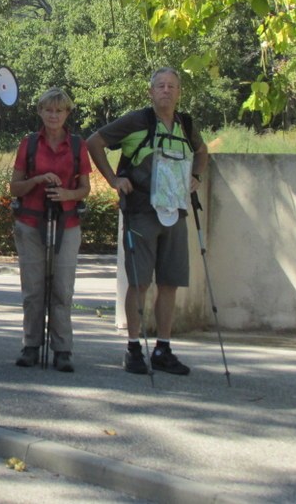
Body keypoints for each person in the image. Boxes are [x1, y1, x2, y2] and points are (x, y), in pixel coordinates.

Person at [86, 67, 208, 376]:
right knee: (139, 282)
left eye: (172, 86)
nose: (166, 91)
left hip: (175, 213)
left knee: (170, 283)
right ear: (150, 92)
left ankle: (163, 349)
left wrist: (196, 176)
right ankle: (133, 349)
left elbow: (202, 151)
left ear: (179, 93)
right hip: (141, 210)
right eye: (161, 86)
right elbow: (94, 142)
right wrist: (114, 180)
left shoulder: (186, 124)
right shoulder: (135, 121)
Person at [10, 88, 91, 373]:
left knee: (61, 289)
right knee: (33, 289)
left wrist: (67, 195)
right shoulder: (28, 143)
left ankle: (62, 349)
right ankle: (31, 345)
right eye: (48, 110)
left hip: (67, 223)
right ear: (40, 112)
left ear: (67, 113)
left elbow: (85, 189)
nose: (54, 115)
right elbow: (14, 187)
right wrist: (38, 179)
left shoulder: (78, 145)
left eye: (59, 111)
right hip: (31, 222)